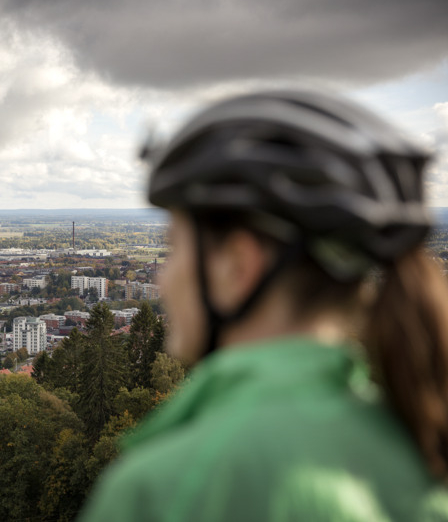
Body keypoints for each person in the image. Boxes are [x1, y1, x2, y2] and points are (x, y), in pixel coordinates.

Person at [78, 89, 448, 521]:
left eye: (174, 248)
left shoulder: (161, 489)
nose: (163, 279)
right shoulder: (422, 452)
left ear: (237, 265)